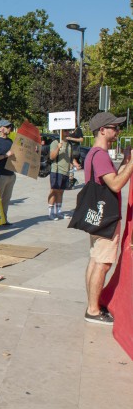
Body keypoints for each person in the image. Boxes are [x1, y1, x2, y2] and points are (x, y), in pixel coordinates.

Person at [82, 112, 133, 325]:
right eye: (114, 127)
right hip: (106, 217)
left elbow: (111, 179)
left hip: (96, 216)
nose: (118, 131)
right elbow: (116, 184)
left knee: (95, 260)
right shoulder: (101, 155)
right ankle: (93, 310)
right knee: (102, 263)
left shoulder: (94, 154)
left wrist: (125, 160)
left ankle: (92, 305)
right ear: (102, 130)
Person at [47, 129, 79, 220]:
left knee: (61, 192)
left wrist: (74, 163)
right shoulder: (55, 142)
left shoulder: (69, 144)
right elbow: (52, 156)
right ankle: (51, 212)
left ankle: (58, 212)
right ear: (60, 132)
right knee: (54, 191)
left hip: (65, 171)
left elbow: (70, 157)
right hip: (56, 170)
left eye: (68, 131)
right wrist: (58, 147)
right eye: (65, 131)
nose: (67, 133)